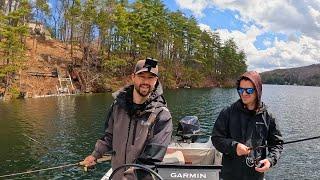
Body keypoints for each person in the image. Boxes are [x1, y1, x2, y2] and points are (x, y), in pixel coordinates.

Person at [82, 58, 173, 179]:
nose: (146, 81)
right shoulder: (117, 106)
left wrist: (129, 177)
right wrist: (95, 155)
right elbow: (108, 137)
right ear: (133, 77)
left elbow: (151, 159)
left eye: (151, 77)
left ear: (156, 81)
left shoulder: (162, 115)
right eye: (142, 76)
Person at [211, 71, 283, 180]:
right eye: (241, 90)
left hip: (256, 175)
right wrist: (234, 147)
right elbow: (216, 139)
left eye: (249, 90)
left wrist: (270, 160)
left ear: (258, 91)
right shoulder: (228, 112)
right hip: (230, 175)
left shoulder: (268, 116)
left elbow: (277, 143)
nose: (244, 94)